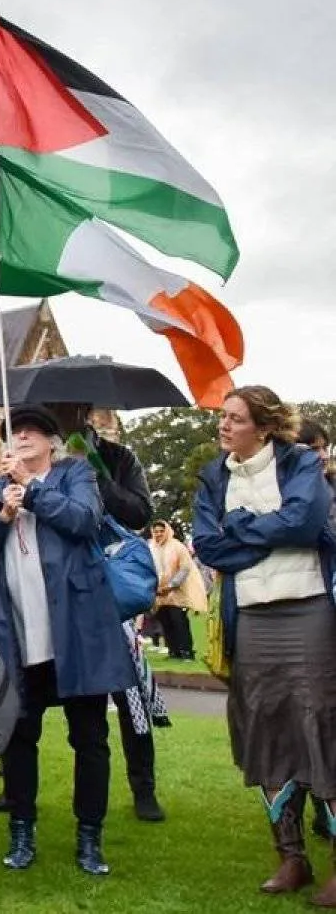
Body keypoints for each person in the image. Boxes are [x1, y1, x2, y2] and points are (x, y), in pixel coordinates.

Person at [0, 405, 135, 877]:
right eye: (11, 434)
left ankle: (90, 837)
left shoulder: (74, 473)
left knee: (90, 738)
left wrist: (35, 490)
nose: (18, 439)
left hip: (76, 629)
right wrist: (2, 513)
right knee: (19, 736)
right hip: (18, 631)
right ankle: (22, 829)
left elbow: (85, 521)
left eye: (28, 432)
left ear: (49, 440)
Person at [192, 386, 336, 901]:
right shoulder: (214, 477)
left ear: (265, 426)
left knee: (321, 722)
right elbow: (208, 545)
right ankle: (292, 858)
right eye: (223, 418)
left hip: (308, 608)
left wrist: (243, 528)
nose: (223, 427)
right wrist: (260, 537)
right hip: (252, 615)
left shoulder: (299, 463)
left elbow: (306, 521)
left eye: (235, 419)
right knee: (265, 727)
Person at [44, 402, 165, 823]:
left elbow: (139, 513)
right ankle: (14, 788)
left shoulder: (117, 457)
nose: (62, 413)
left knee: (129, 693)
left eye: (69, 407)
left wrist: (92, 471)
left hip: (109, 587)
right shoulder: (38, 461)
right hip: (60, 589)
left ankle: (143, 786)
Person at [150, 520, 205, 660]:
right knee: (165, 622)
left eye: (161, 531)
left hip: (176, 592)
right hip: (159, 594)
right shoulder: (150, 548)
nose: (159, 534)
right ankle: (173, 651)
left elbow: (185, 568)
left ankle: (187, 651)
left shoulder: (177, 546)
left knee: (179, 622)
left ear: (167, 531)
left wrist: (171, 585)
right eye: (156, 531)